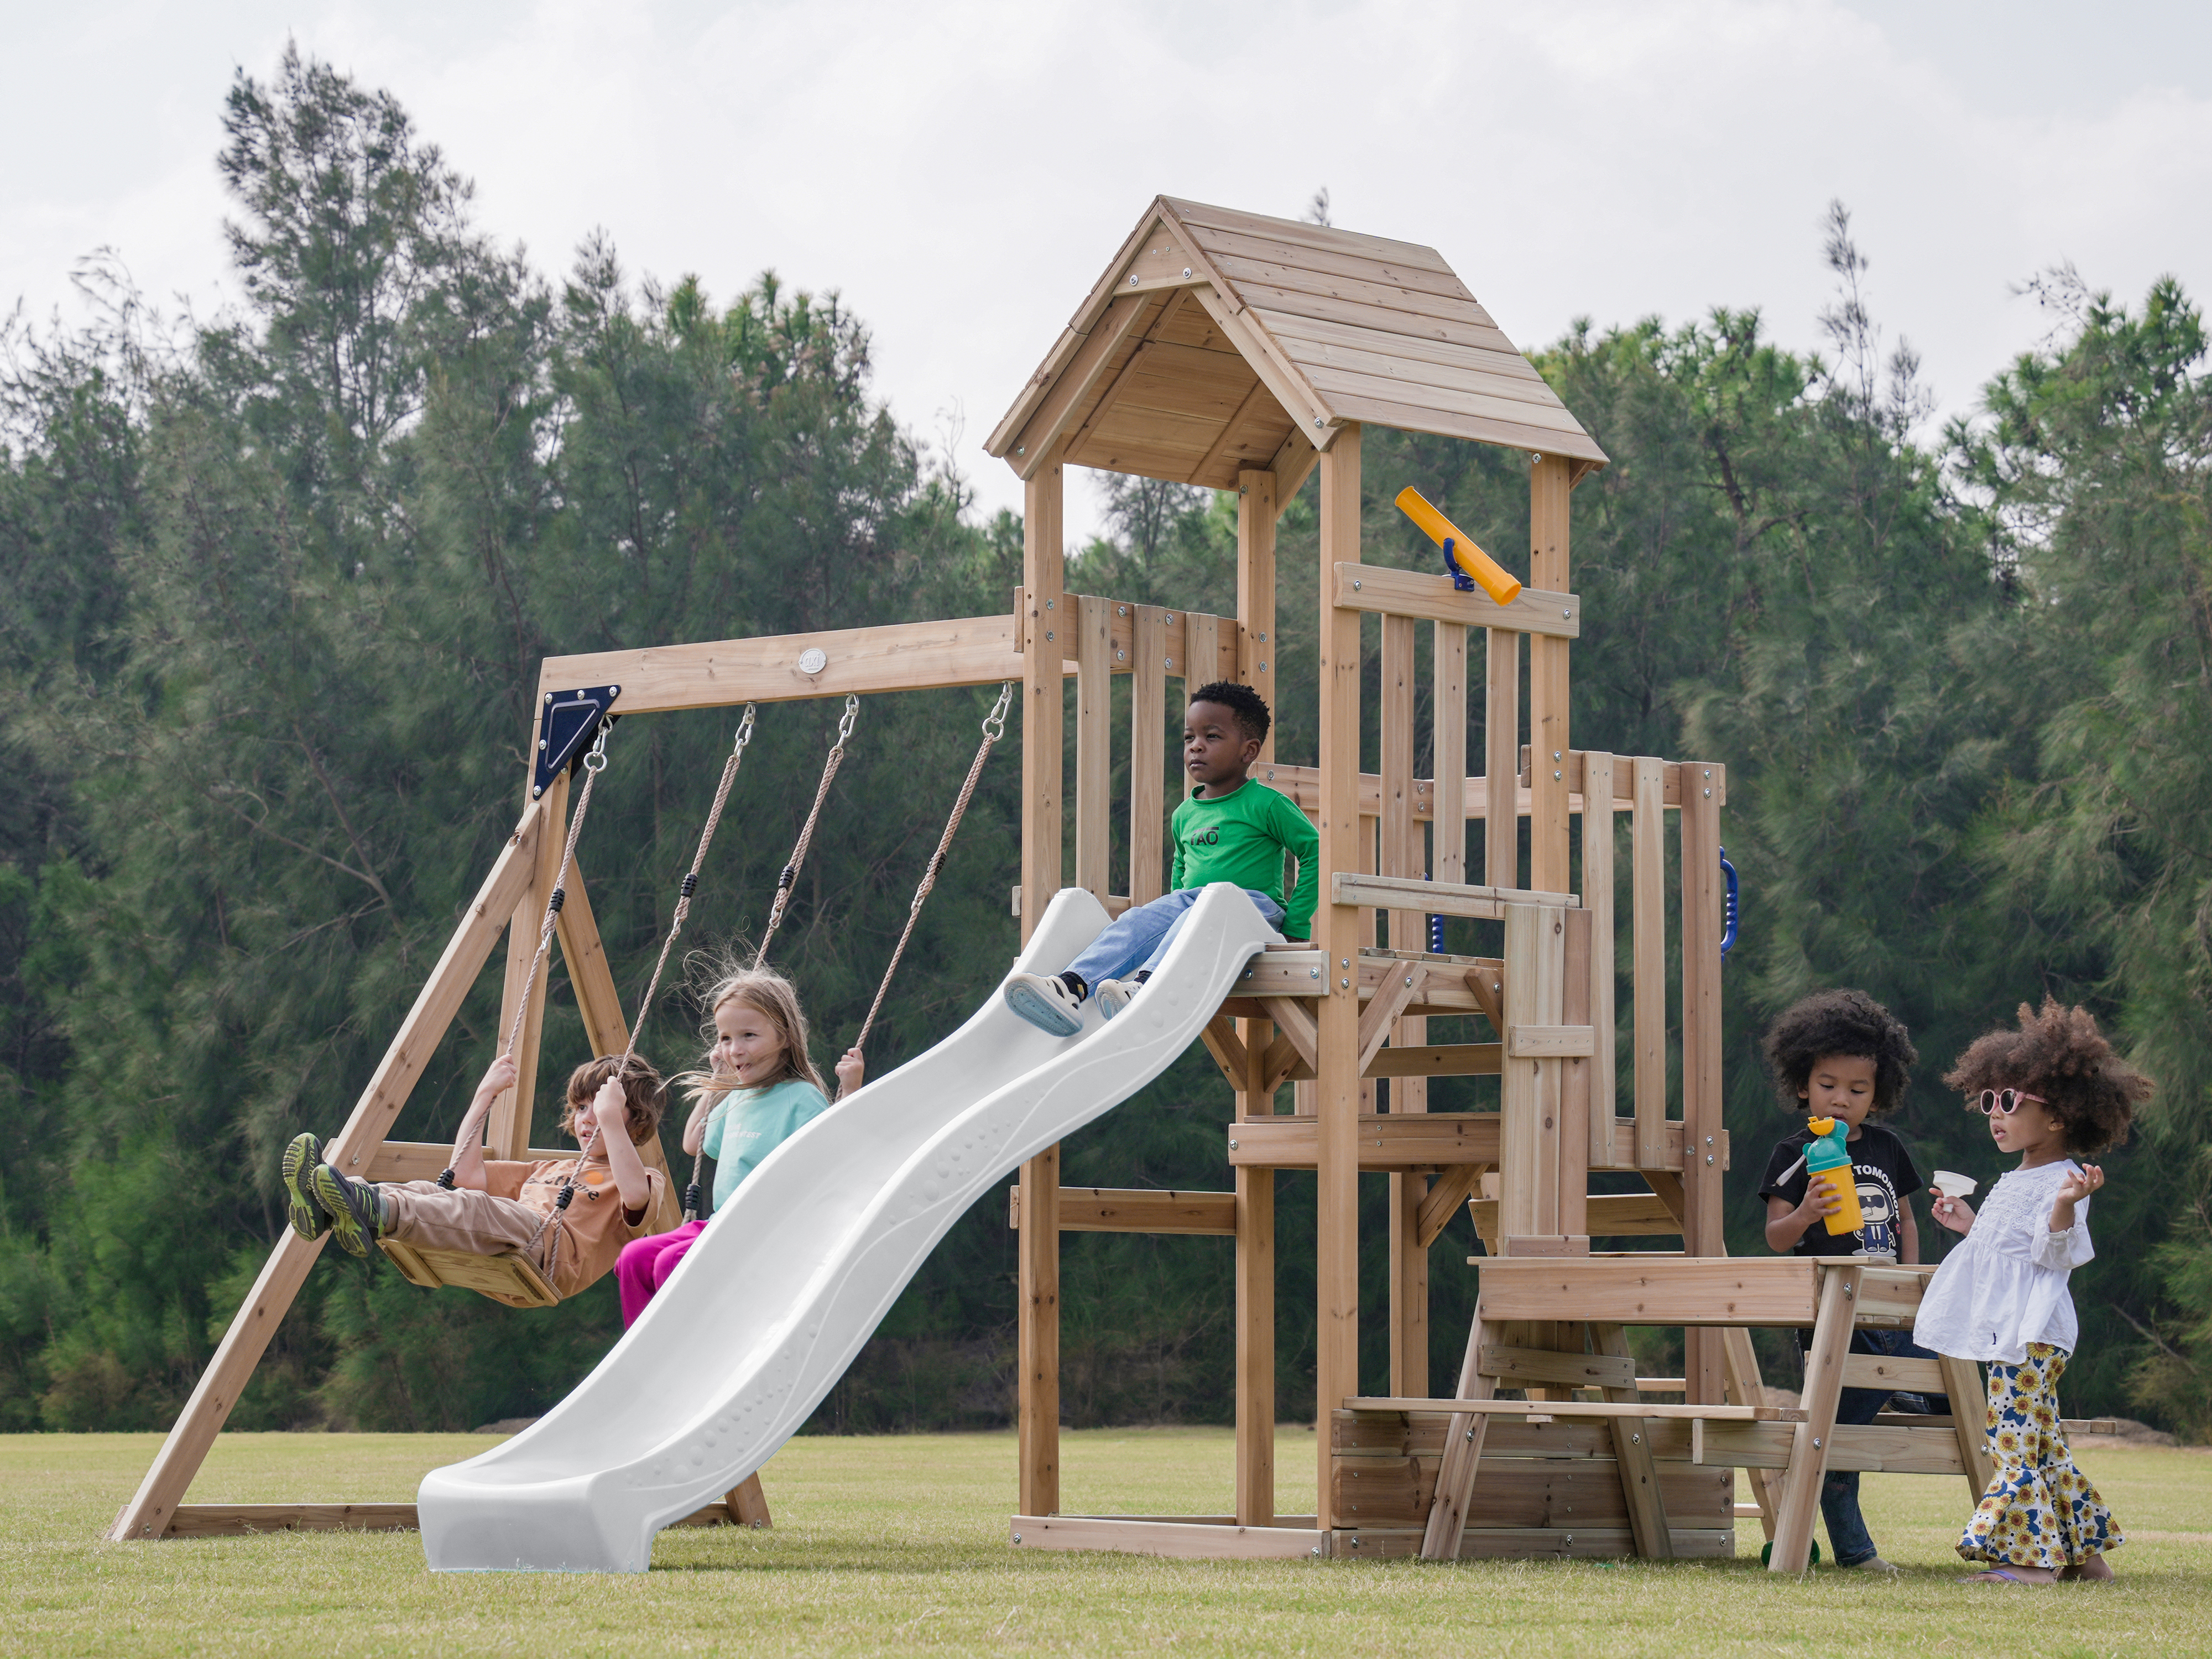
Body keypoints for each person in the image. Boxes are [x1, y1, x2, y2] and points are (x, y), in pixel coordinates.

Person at [1921, 997, 2149, 1585]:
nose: (1994, 1114)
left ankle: (2027, 1564)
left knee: (2012, 1442)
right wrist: (1968, 1224)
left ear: (2057, 1117)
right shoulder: (2016, 1177)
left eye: (2009, 1103)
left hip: (2029, 1336)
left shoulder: (2062, 1182)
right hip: (2012, 1332)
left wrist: (2066, 1210)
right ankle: (2084, 1557)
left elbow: (2055, 1256)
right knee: (2041, 1443)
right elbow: (2007, 1251)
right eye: (1989, 1102)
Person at [1003, 681, 1317, 1035]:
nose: (1196, 745)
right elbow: (1181, 871)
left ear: (1248, 751)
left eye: (1211, 737)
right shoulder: (1184, 814)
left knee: (1194, 914)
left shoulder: (1266, 804)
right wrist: (1168, 911)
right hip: (1196, 905)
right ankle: (1071, 985)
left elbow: (1315, 852)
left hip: (1252, 911)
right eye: (1189, 738)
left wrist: (1295, 926)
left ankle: (1148, 985)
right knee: (1138, 919)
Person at [1755, 988, 1940, 1573]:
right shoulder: (1795, 1152)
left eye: (1857, 1091)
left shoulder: (1886, 1147)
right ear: (1803, 1085)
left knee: (1951, 1392)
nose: (1841, 1100)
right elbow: (1775, 1237)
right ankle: (1855, 1553)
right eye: (1828, 1086)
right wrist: (1807, 1213)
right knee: (1835, 1438)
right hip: (1834, 1316)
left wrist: (1912, 1284)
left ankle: (1908, 1391)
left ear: (1877, 1095)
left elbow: (1905, 1219)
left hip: (1892, 1309)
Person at [283, 1051, 666, 1300]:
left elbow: (636, 1198)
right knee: (430, 1191)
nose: (587, 1118)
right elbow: (466, 1176)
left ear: (635, 1119)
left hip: (550, 1254)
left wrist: (611, 1118)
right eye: (582, 1107)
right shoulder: (550, 1168)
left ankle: (372, 1211)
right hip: (514, 1235)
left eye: (598, 1107)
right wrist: (483, 1097)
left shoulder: (639, 1177)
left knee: (475, 1207)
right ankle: (334, 1206)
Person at [613, 965, 863, 1326]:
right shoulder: (738, 1097)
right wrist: (722, 1081)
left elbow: (835, 1156)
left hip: (765, 1234)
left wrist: (851, 1089)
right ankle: (641, 1352)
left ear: (784, 1037)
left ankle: (684, 1350)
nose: (736, 1049)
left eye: (748, 1036)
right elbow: (694, 1141)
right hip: (722, 1224)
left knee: (671, 1264)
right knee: (634, 1257)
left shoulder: (800, 1098)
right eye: (726, 1039)